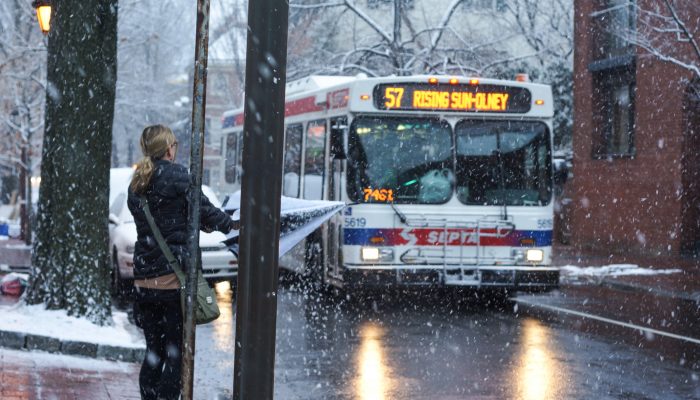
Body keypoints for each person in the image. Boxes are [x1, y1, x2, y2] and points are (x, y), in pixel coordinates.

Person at [127, 124, 237, 400]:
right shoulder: (176, 175)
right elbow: (204, 210)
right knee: (177, 352)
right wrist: (230, 224)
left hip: (143, 282)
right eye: (174, 144)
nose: (175, 148)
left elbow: (170, 217)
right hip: (172, 282)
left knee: (154, 351)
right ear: (168, 148)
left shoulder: (137, 182)